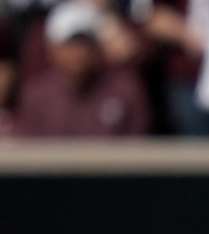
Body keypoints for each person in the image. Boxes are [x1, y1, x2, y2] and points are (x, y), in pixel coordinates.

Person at [15, 0, 150, 136]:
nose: (78, 53)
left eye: (84, 44)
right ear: (53, 48)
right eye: (70, 44)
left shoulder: (125, 88)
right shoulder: (37, 96)